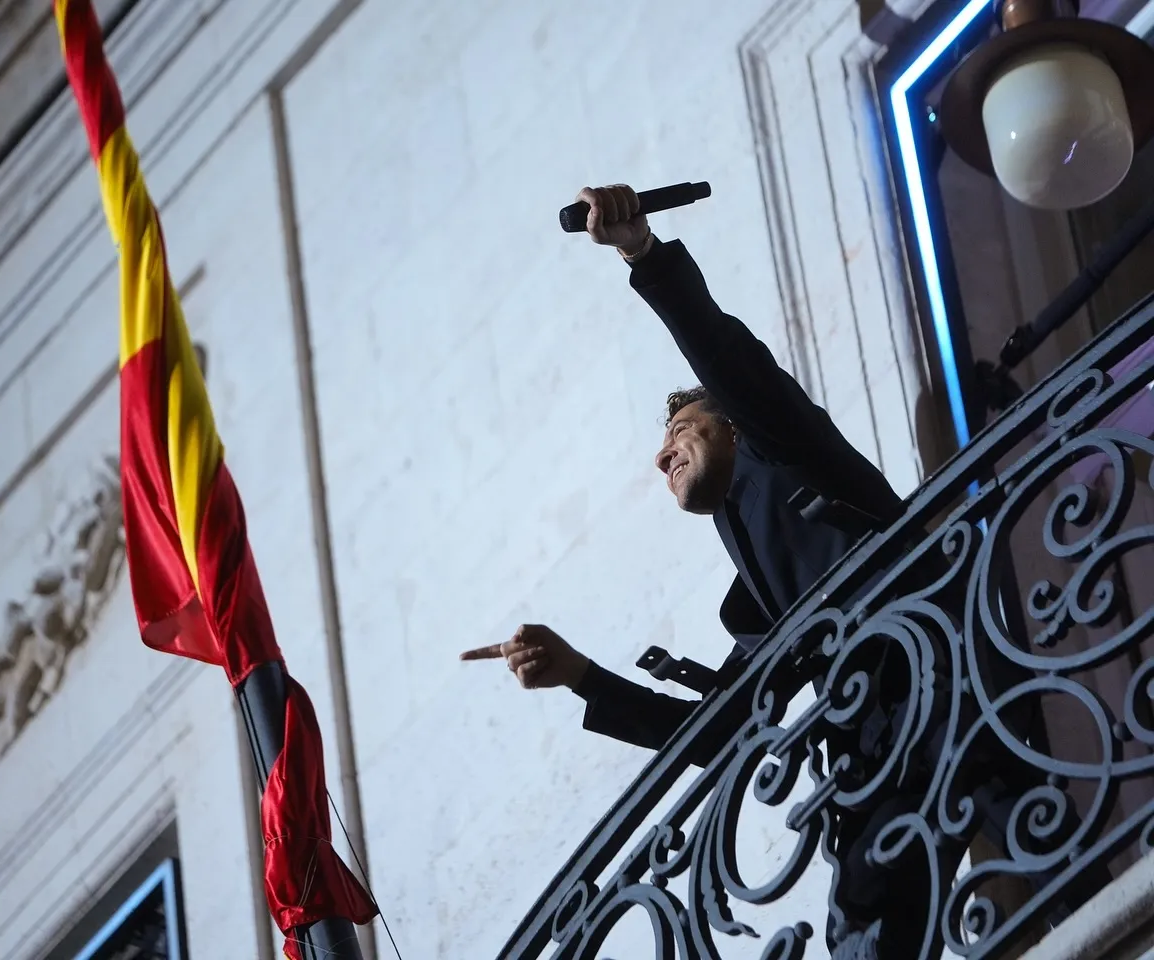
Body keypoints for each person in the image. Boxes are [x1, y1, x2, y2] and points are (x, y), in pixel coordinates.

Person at [460, 185, 1094, 959]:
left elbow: (729, 359)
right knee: (859, 925)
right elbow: (713, 735)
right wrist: (582, 675)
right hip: (875, 756)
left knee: (1048, 842)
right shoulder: (755, 606)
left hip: (948, 685)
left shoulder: (789, 450)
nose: (662, 455)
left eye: (680, 428)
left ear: (730, 424)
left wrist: (643, 254)